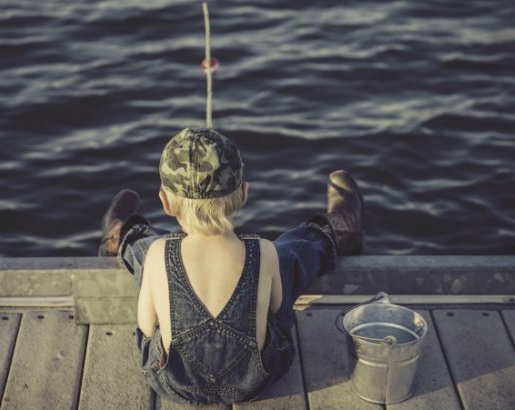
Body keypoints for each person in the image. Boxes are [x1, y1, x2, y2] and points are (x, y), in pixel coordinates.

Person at [98, 128, 364, 405]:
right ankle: (333, 232)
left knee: (151, 252)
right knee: (285, 258)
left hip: (174, 382)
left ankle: (125, 235)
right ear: (244, 194)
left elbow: (146, 325)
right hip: (255, 380)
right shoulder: (264, 251)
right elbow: (277, 309)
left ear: (165, 202)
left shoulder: (158, 253)